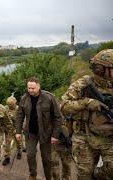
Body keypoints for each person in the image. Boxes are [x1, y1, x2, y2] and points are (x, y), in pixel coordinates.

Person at [61, 49, 113, 180]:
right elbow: (63, 105)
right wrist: (86, 103)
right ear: (101, 69)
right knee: (84, 174)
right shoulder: (84, 83)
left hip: (109, 139)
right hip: (85, 136)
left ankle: (97, 175)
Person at [15, 77, 61, 180]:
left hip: (46, 133)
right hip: (30, 133)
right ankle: (33, 175)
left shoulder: (49, 98)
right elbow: (19, 115)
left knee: (46, 158)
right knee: (30, 154)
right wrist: (18, 131)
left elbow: (58, 117)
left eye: (33, 88)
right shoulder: (24, 98)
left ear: (39, 86)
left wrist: (55, 135)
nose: (30, 90)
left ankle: (48, 177)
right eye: (29, 88)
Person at [3, 95, 22, 166]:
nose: (10, 106)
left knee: (18, 142)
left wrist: (18, 130)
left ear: (15, 102)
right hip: (8, 129)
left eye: (11, 104)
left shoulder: (19, 109)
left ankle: (19, 151)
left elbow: (22, 120)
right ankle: (7, 158)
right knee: (7, 144)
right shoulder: (5, 108)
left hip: (16, 129)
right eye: (9, 104)